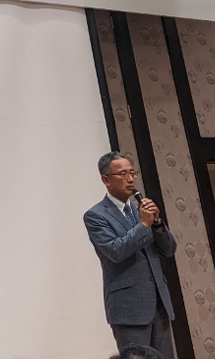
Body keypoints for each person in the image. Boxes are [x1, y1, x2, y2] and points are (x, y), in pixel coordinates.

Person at [84, 152, 177, 359]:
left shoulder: (139, 208)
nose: (130, 179)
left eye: (132, 173)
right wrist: (143, 225)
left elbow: (169, 250)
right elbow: (115, 251)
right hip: (129, 308)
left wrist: (157, 224)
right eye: (123, 174)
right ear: (106, 180)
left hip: (159, 303)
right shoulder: (96, 215)